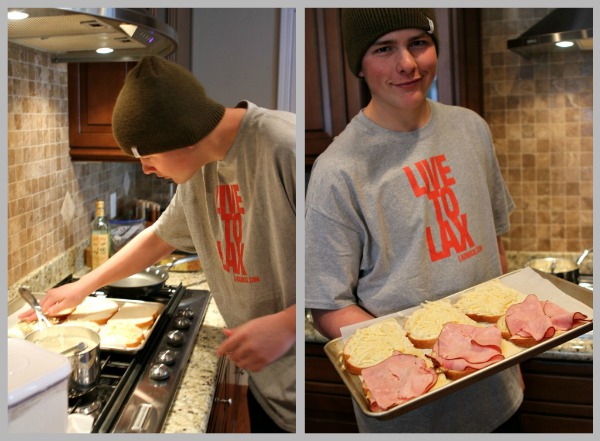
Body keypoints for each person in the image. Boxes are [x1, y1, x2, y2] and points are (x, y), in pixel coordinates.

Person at [21, 56, 296, 433]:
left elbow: (345, 255)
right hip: (268, 380)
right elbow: (160, 237)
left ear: (182, 136)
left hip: (303, 381)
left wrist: (287, 325)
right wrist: (84, 286)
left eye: (147, 157)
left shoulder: (286, 146)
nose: (146, 170)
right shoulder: (199, 169)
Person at [305, 8, 523, 432]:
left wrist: (511, 351)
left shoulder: (471, 128)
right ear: (360, 65)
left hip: (499, 398)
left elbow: (494, 244)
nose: (407, 64)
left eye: (418, 43)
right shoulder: (338, 170)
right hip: (412, 413)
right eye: (384, 49)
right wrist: (428, 354)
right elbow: (328, 306)